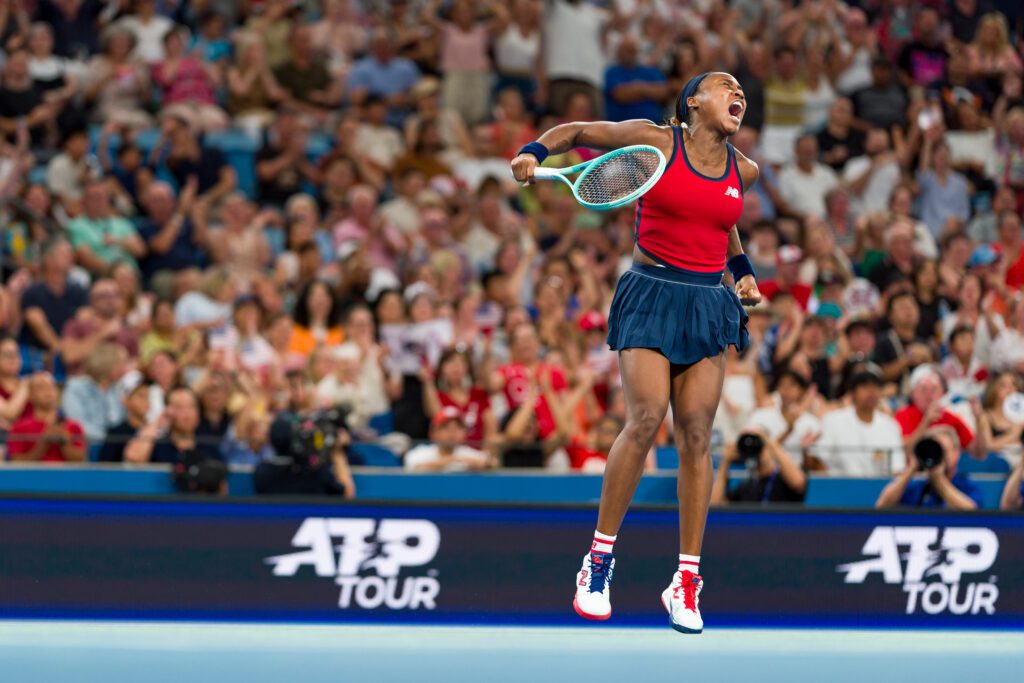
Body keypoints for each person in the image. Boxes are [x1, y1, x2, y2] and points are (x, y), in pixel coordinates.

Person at [512, 70, 762, 633]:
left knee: (697, 432)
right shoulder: (655, 142)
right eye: (726, 85)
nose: (737, 93)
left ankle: (687, 579)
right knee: (647, 418)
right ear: (694, 101)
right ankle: (598, 561)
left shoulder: (743, 171)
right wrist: (530, 152)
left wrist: (742, 272)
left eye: (742, 89)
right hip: (651, 292)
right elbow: (575, 130)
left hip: (708, 302)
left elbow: (723, 223)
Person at [814, 369, 903, 476]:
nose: (872, 392)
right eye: (865, 387)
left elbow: (897, 468)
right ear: (852, 393)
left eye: (876, 387)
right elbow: (818, 460)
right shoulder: (833, 421)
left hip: (880, 489)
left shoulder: (890, 426)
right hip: (840, 488)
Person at [875, 425, 982, 510]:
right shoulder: (919, 487)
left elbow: (971, 513)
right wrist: (911, 469)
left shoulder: (967, 485)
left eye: (943, 450)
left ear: (956, 453)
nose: (940, 456)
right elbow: (882, 505)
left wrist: (939, 480)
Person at [710, 427, 807, 505]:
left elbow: (798, 482)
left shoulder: (783, 479)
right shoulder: (745, 487)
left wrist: (768, 440)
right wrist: (725, 462)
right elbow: (715, 505)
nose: (756, 450)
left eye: (759, 445)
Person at [6, 372, 87, 462]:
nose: (48, 391)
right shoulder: (19, 428)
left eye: (51, 386)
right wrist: (43, 443)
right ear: (30, 395)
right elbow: (16, 465)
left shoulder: (74, 426)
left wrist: (65, 443)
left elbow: (82, 462)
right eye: (41, 388)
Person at [403, 406, 493, 472]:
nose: (452, 432)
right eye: (445, 427)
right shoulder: (420, 452)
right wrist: (453, 460)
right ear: (433, 433)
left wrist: (486, 464)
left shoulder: (467, 454)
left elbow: (491, 463)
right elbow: (414, 466)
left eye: (458, 427)